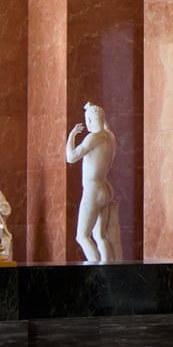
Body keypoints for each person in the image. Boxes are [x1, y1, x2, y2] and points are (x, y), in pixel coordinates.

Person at [65, 102, 122, 262]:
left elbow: (71, 157)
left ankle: (96, 268)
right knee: (100, 235)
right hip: (105, 188)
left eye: (87, 119)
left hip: (93, 191)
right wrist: (93, 109)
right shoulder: (109, 136)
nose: (87, 123)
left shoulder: (94, 138)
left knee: (82, 236)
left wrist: (72, 135)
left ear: (90, 120)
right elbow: (105, 124)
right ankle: (109, 266)